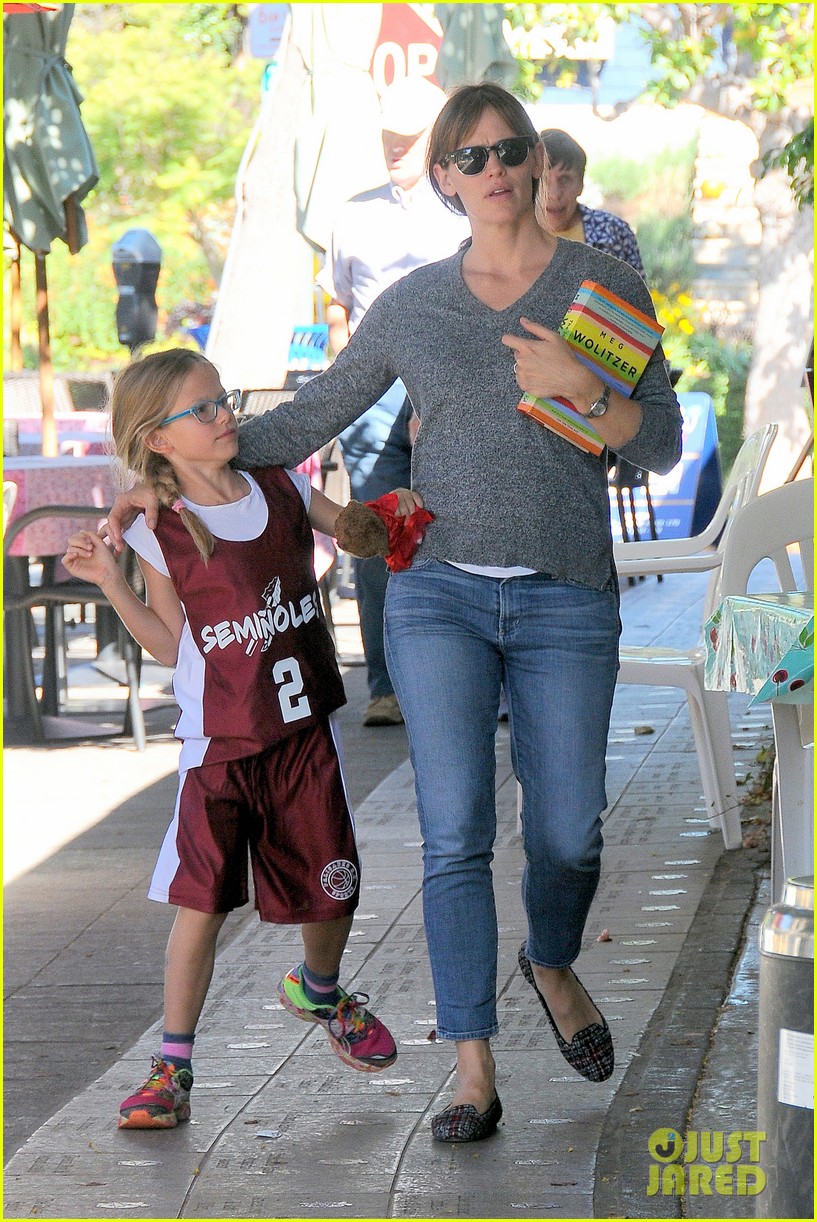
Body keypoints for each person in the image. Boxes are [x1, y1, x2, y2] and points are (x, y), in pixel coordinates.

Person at [106, 84, 682, 1143]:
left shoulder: (601, 281)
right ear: (446, 179)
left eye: (509, 148)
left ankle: (549, 957)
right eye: (470, 157)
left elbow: (658, 444)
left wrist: (581, 386)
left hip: (564, 596)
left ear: (530, 160)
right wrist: (164, 471)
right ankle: (470, 1069)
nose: (496, 169)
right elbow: (313, 409)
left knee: (567, 831)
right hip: (438, 597)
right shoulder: (414, 304)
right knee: (454, 833)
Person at [63, 349, 423, 1130]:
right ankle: (172, 1065)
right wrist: (112, 581)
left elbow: (357, 531)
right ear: (157, 439)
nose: (223, 414)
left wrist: (393, 516)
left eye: (220, 399)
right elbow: (166, 643)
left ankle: (319, 992)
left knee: (333, 883)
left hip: (302, 732)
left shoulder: (282, 485)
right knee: (203, 905)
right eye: (201, 409)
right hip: (221, 740)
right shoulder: (158, 530)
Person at [320, 75, 469, 727]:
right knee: (376, 533)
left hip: (450, 395)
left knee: (454, 528)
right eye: (388, 135)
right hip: (373, 394)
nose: (394, 147)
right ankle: (385, 685)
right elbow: (335, 306)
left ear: (435, 137)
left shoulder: (466, 212)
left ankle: (466, 681)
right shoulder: (354, 212)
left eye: (407, 137)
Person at [539, 127, 646, 275]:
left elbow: (637, 296)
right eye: (544, 180)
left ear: (581, 185)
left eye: (565, 179)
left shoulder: (615, 233)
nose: (554, 194)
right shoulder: (510, 238)